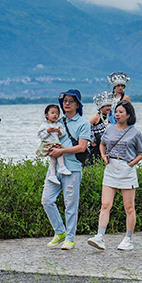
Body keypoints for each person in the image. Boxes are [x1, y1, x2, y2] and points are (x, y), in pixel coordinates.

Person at [88, 101, 142, 252]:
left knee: (129, 207)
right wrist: (103, 156)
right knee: (105, 204)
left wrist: (130, 164)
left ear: (128, 115)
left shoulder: (135, 133)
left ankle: (128, 238)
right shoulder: (109, 129)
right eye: (116, 112)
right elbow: (102, 144)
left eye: (121, 112)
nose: (117, 114)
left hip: (126, 169)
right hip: (111, 168)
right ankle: (100, 236)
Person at [42, 89, 92, 250]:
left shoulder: (83, 123)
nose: (67, 104)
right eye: (64, 101)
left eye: (71, 101)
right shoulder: (57, 122)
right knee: (47, 200)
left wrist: (61, 151)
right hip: (54, 169)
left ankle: (70, 237)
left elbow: (82, 147)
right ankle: (60, 231)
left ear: (78, 104)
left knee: (70, 204)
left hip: (73, 169)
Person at [37, 104, 69, 178]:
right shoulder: (44, 125)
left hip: (55, 143)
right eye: (52, 113)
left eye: (57, 113)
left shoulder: (59, 124)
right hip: (48, 144)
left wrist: (59, 132)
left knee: (53, 160)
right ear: (47, 115)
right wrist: (47, 131)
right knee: (58, 152)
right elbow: (41, 136)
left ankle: (53, 174)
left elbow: (62, 135)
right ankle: (61, 167)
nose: (55, 115)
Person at [88, 92, 114, 166]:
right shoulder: (96, 116)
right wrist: (92, 140)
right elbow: (87, 127)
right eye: (107, 106)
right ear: (101, 107)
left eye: (110, 106)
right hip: (96, 145)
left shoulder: (108, 117)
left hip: (105, 144)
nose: (109, 108)